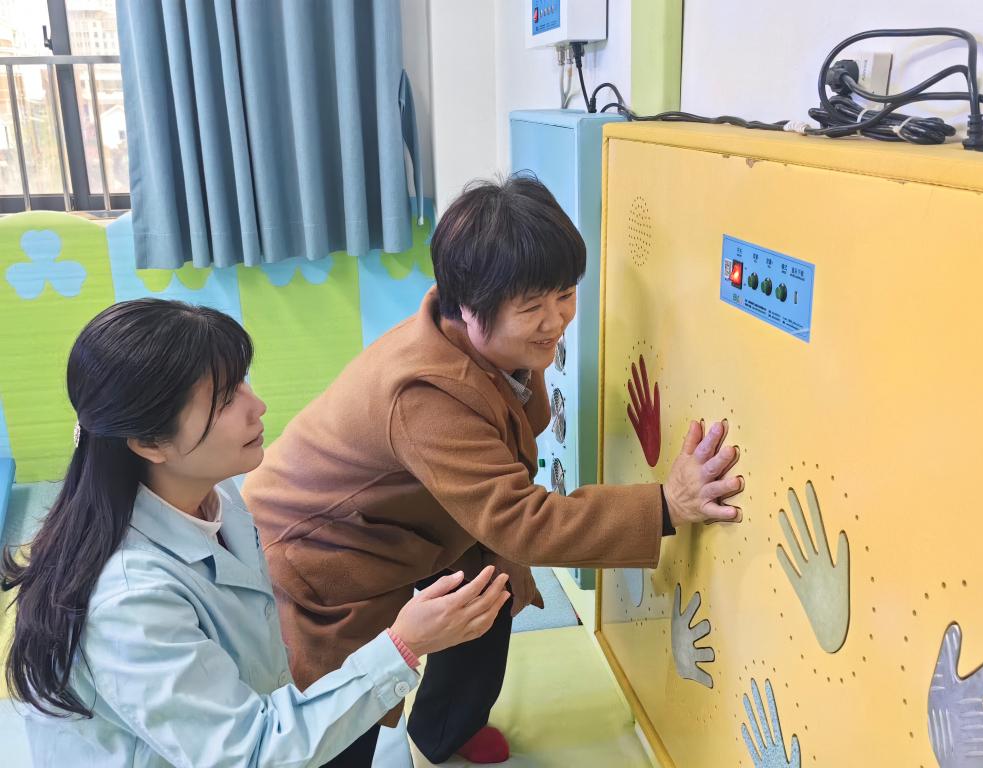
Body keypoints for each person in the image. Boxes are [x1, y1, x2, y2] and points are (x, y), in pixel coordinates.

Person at [243, 176, 743, 766]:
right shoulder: (427, 393)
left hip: (419, 519)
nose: (556, 320)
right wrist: (665, 504)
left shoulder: (492, 342)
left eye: (565, 294)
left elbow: (511, 452)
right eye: (531, 307)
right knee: (347, 709)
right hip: (324, 546)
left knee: (490, 591)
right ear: (469, 308)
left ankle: (444, 730)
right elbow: (522, 521)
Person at [2, 299, 510, 767]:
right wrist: (405, 643)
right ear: (149, 442)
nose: (258, 405)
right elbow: (247, 753)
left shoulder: (215, 494)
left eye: (243, 383)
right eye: (225, 399)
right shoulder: (130, 603)